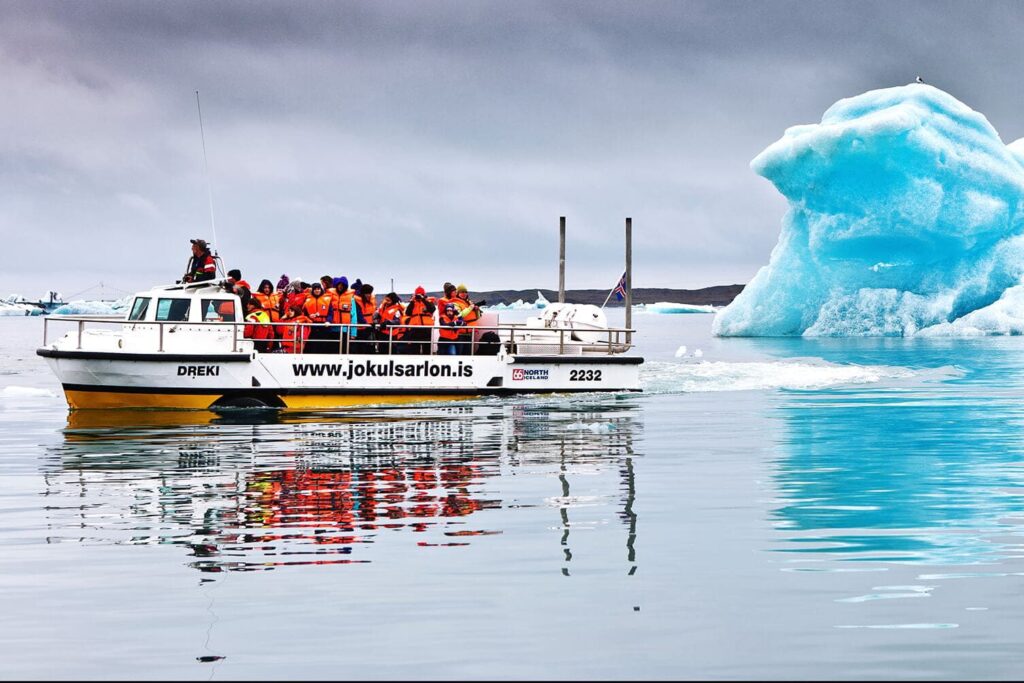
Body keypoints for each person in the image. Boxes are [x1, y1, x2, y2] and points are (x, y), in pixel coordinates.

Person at [402, 285, 436, 355]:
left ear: (424, 294)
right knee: (414, 349)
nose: (419, 296)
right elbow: (408, 312)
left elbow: (432, 309)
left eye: (421, 294)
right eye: (418, 294)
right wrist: (412, 301)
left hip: (426, 329)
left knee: (427, 349)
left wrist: (423, 299)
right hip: (415, 329)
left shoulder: (428, 302)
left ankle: (427, 363)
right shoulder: (413, 302)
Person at [303, 281, 334, 354]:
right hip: (312, 326)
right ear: (313, 290)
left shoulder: (327, 299)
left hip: (324, 325)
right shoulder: (308, 300)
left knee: (324, 345)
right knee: (312, 345)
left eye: (319, 289)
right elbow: (304, 313)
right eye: (315, 289)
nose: (317, 290)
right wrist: (309, 317)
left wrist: (328, 321)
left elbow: (331, 312)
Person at [329, 276, 357, 353]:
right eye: (339, 285)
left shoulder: (351, 298)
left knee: (344, 351)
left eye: (342, 285)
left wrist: (353, 333)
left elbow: (354, 316)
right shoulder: (330, 297)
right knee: (331, 351)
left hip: (345, 330)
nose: (340, 286)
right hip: (332, 329)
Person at [452, 284, 481, 354]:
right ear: (458, 293)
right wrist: (470, 308)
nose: (464, 294)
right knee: (460, 352)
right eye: (462, 292)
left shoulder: (469, 302)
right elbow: (459, 315)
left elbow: (478, 317)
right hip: (460, 334)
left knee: (468, 353)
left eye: (465, 292)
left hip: (471, 332)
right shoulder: (455, 303)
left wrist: (477, 310)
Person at [353, 283, 377, 353]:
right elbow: (358, 315)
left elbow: (375, 313)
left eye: (369, 293)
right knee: (360, 347)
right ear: (362, 293)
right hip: (360, 329)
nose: (368, 295)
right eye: (367, 293)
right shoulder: (357, 301)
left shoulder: (372, 300)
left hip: (370, 328)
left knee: (370, 347)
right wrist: (367, 325)